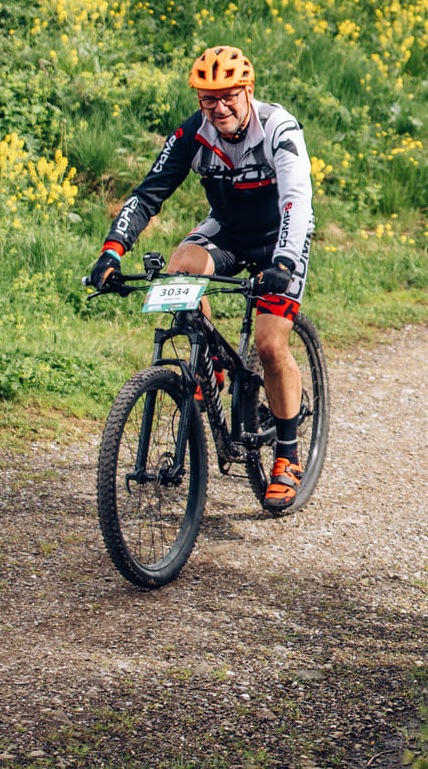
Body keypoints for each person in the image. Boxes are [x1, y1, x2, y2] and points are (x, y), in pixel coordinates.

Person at [85, 46, 316, 509]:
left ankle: (287, 454)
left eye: (229, 95)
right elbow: (150, 193)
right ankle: (208, 363)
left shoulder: (278, 127)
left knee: (271, 344)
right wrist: (112, 250)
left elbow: (296, 198)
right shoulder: (194, 133)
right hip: (227, 231)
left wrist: (286, 262)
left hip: (279, 238)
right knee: (180, 271)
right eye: (209, 99)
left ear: (247, 90)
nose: (220, 107)